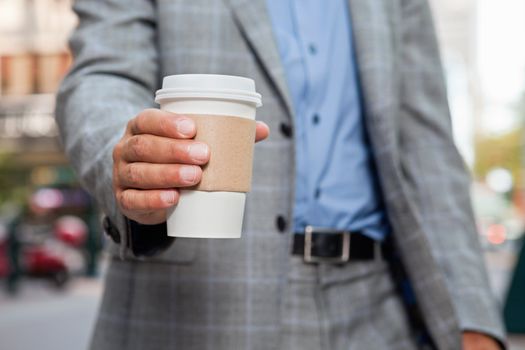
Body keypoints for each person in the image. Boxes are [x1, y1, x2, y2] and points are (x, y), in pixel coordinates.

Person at [56, 0, 505, 349]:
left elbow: (427, 144)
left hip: (380, 309)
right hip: (198, 309)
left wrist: (472, 317)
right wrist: (133, 158)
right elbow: (102, 75)